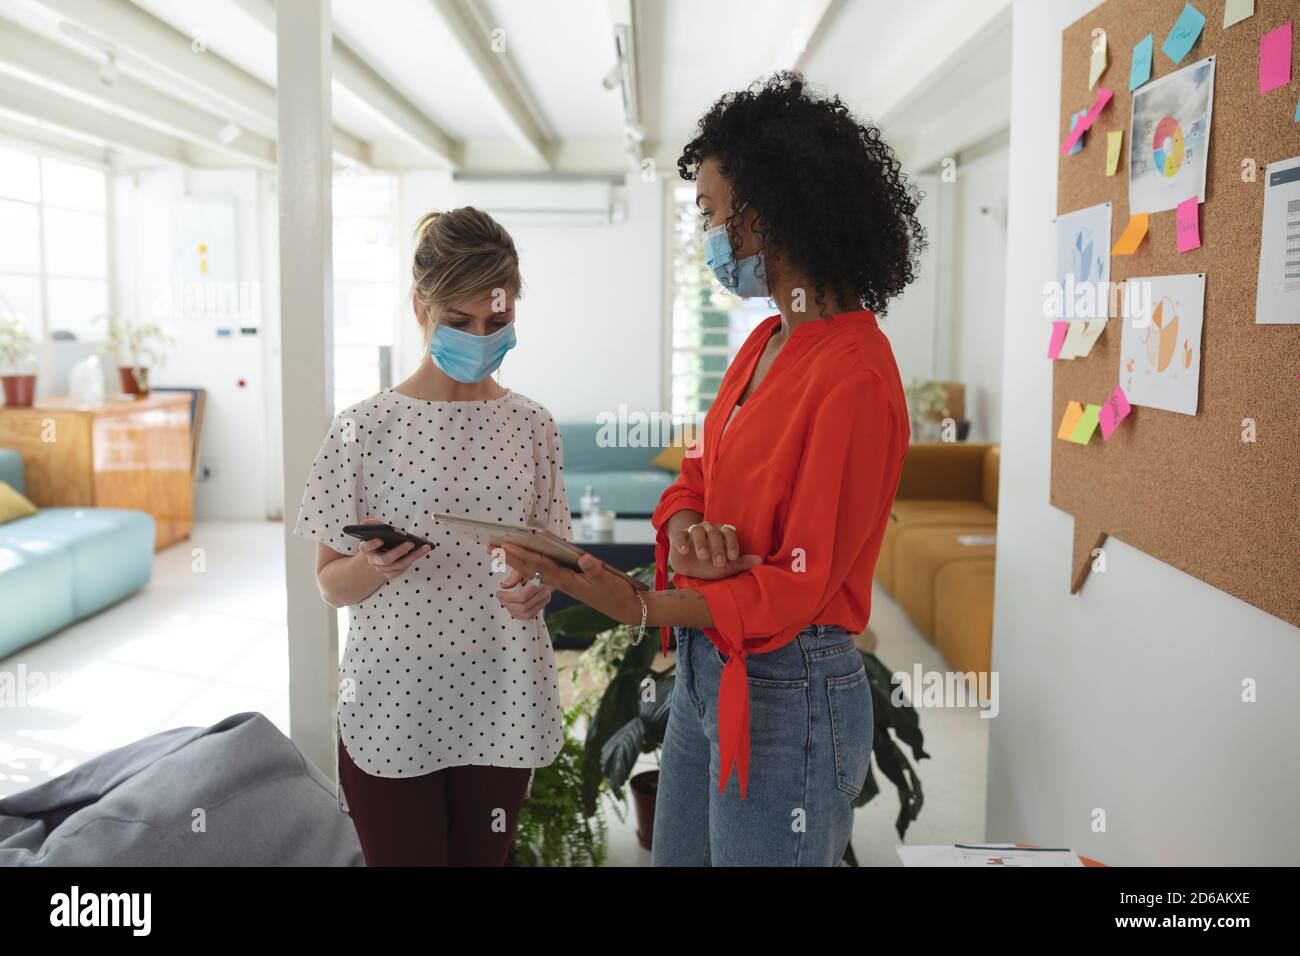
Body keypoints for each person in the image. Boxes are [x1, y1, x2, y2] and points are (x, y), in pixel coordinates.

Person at [494, 73, 925, 866]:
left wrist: (638, 602)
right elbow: (693, 476)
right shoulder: (764, 345)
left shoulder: (856, 377)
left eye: (711, 212)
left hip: (790, 692)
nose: (708, 233)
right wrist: (691, 530)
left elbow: (798, 582)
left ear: (766, 217)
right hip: (708, 672)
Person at [293, 207, 569, 866]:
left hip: (501, 693)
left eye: (497, 323)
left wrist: (538, 590)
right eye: (460, 321)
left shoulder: (533, 426)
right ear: (420, 307)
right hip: (392, 703)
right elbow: (330, 585)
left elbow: (552, 563)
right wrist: (375, 566)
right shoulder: (362, 428)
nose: (480, 337)